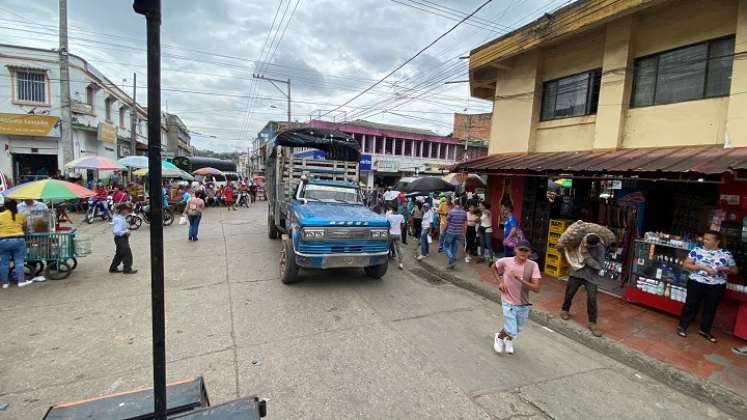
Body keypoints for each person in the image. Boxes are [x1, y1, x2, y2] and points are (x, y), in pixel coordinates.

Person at [677, 230, 737, 343]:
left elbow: (735, 270)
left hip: (716, 285)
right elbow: (686, 265)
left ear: (717, 242)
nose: (704, 241)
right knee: (691, 305)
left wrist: (722, 269)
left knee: (710, 308)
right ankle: (682, 326)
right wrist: (702, 267)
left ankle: (705, 331)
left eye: (708, 239)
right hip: (696, 282)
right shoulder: (697, 250)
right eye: (704, 238)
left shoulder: (726, 254)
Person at [492, 240, 541, 354]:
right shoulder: (505, 261)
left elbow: (536, 288)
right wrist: (500, 282)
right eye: (521, 249)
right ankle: (499, 338)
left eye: (526, 250)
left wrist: (520, 279)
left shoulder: (533, 265)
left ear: (530, 252)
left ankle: (509, 340)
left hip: (523, 302)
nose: (523, 252)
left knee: (517, 328)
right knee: (511, 328)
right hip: (508, 300)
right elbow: (493, 268)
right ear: (515, 249)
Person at [560, 233, 606, 337]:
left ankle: (592, 322)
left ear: (595, 244)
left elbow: (599, 266)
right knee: (569, 292)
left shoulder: (600, 249)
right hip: (576, 272)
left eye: (589, 246)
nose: (586, 246)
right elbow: (569, 250)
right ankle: (565, 310)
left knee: (592, 298)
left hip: (591, 277)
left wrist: (587, 256)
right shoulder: (580, 241)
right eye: (585, 243)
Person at [0, 199, 30, 288]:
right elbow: (25, 228)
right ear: (16, 206)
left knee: (4, 263)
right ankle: (21, 282)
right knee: (19, 261)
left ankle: (5, 283)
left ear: (5, 207)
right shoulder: (21, 215)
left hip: (3, 241)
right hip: (18, 239)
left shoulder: (0, 215)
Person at [109, 203, 137, 274]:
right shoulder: (118, 219)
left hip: (121, 238)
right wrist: (125, 232)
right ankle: (127, 269)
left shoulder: (120, 217)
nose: (128, 212)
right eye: (127, 210)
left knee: (119, 254)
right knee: (127, 253)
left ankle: (113, 268)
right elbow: (116, 231)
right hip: (120, 238)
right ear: (123, 210)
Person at [443, 202, 467, 269]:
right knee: (454, 247)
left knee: (445, 246)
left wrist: (443, 231)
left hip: (450, 232)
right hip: (459, 233)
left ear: (455, 204)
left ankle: (450, 257)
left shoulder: (451, 212)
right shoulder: (464, 212)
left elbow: (446, 223)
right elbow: (465, 225)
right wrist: (464, 233)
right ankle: (451, 263)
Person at [386, 204, 405, 269]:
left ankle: (384, 261)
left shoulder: (389, 216)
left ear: (392, 209)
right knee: (399, 249)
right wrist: (399, 229)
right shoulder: (401, 216)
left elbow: (387, 225)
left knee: (386, 247)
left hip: (391, 233)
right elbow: (403, 224)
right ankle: (401, 264)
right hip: (398, 234)